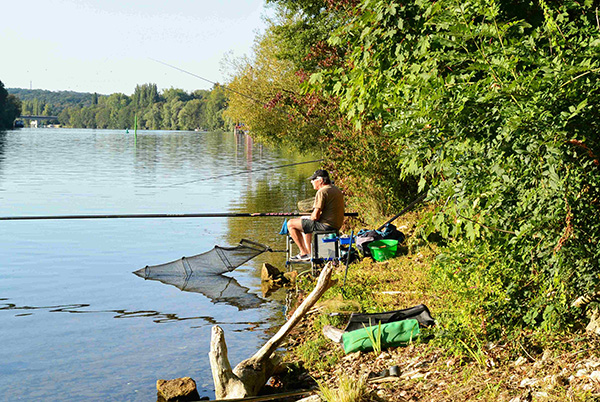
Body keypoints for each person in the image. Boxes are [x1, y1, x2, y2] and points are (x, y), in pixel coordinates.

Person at [287, 169, 345, 261]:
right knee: (305, 222)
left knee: (291, 224)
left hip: (326, 226)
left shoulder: (322, 192)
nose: (311, 181)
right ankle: (309, 253)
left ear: (321, 180)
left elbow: (315, 217)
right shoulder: (335, 189)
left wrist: (311, 215)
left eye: (313, 179)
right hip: (336, 224)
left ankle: (304, 253)